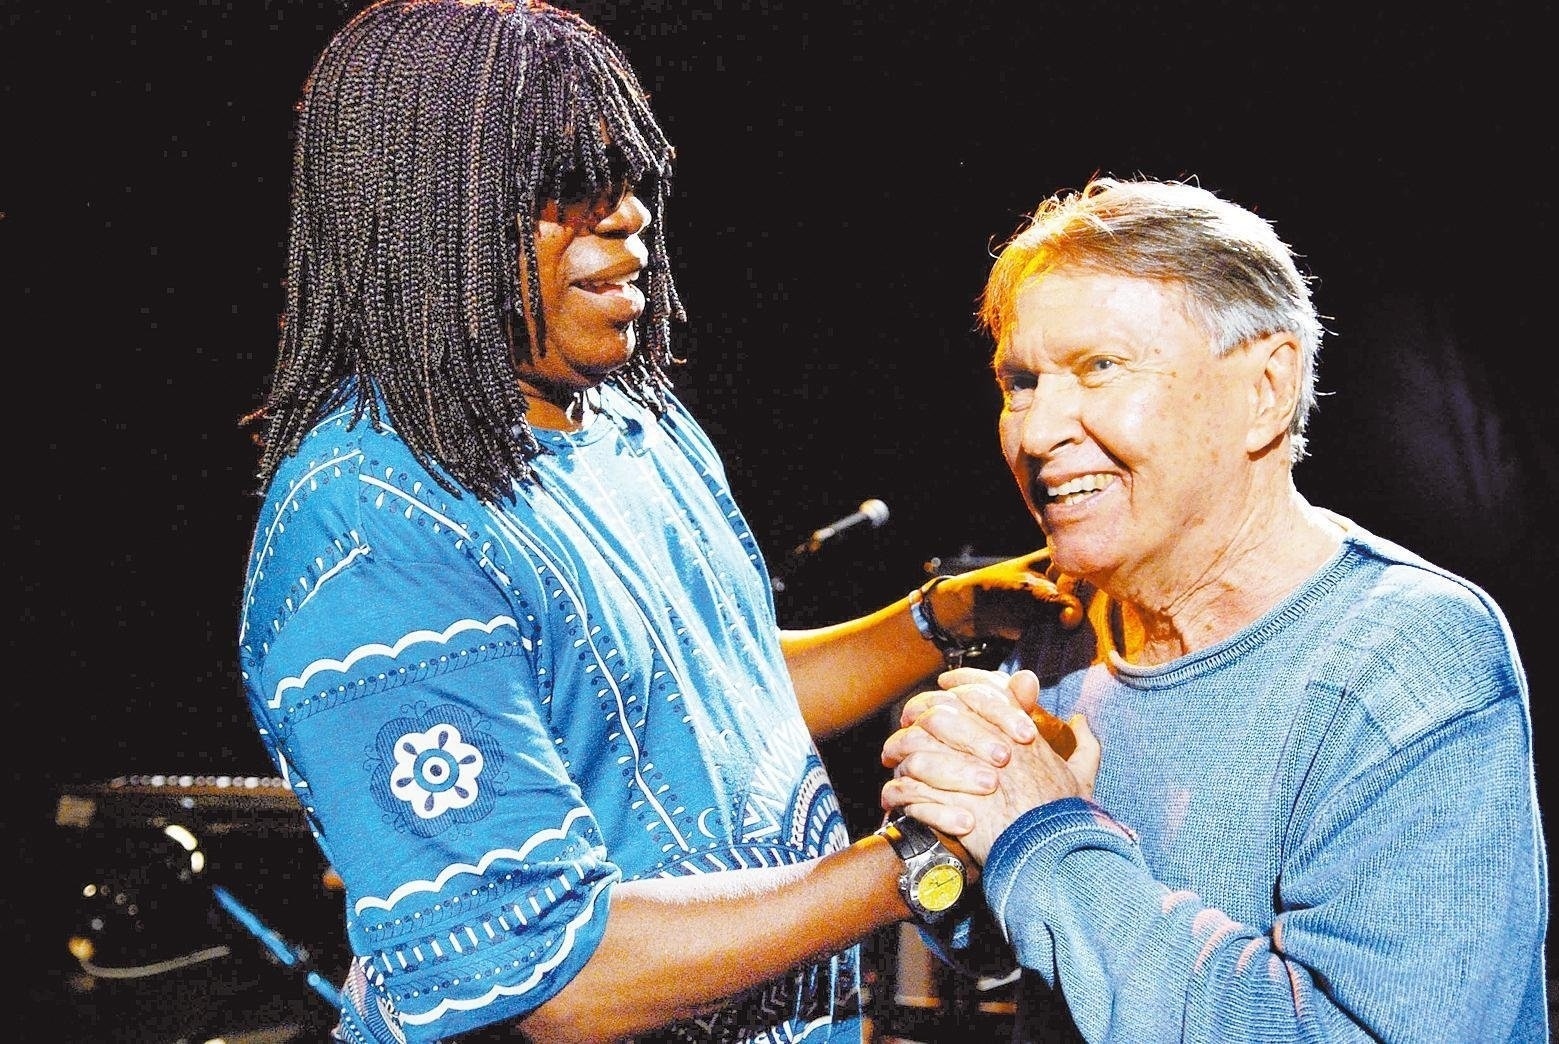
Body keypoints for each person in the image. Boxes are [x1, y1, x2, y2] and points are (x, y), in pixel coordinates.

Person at [234, 2, 1079, 1040]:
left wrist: (935, 622)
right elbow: (557, 975)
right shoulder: (368, 528)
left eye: (628, 179)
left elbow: (707, 696)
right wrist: (923, 858)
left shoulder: (632, 416)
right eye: (566, 190)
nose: (626, 215)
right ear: (420, 212)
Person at [879, 175, 1550, 1042]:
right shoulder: (1064, 627)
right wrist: (948, 842)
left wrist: (1041, 838)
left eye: (1099, 368)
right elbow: (1027, 947)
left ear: (1265, 388)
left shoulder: (1406, 653)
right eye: (1020, 382)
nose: (1037, 432)